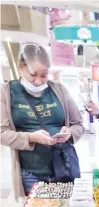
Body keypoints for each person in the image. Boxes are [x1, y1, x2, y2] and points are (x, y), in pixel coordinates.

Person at [0, 43, 84, 197]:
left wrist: (69, 132)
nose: (38, 81)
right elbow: (2, 133)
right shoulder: (7, 93)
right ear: (21, 68)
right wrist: (30, 137)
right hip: (31, 173)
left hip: (63, 167)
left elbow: (78, 124)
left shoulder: (59, 90)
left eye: (44, 75)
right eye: (33, 75)